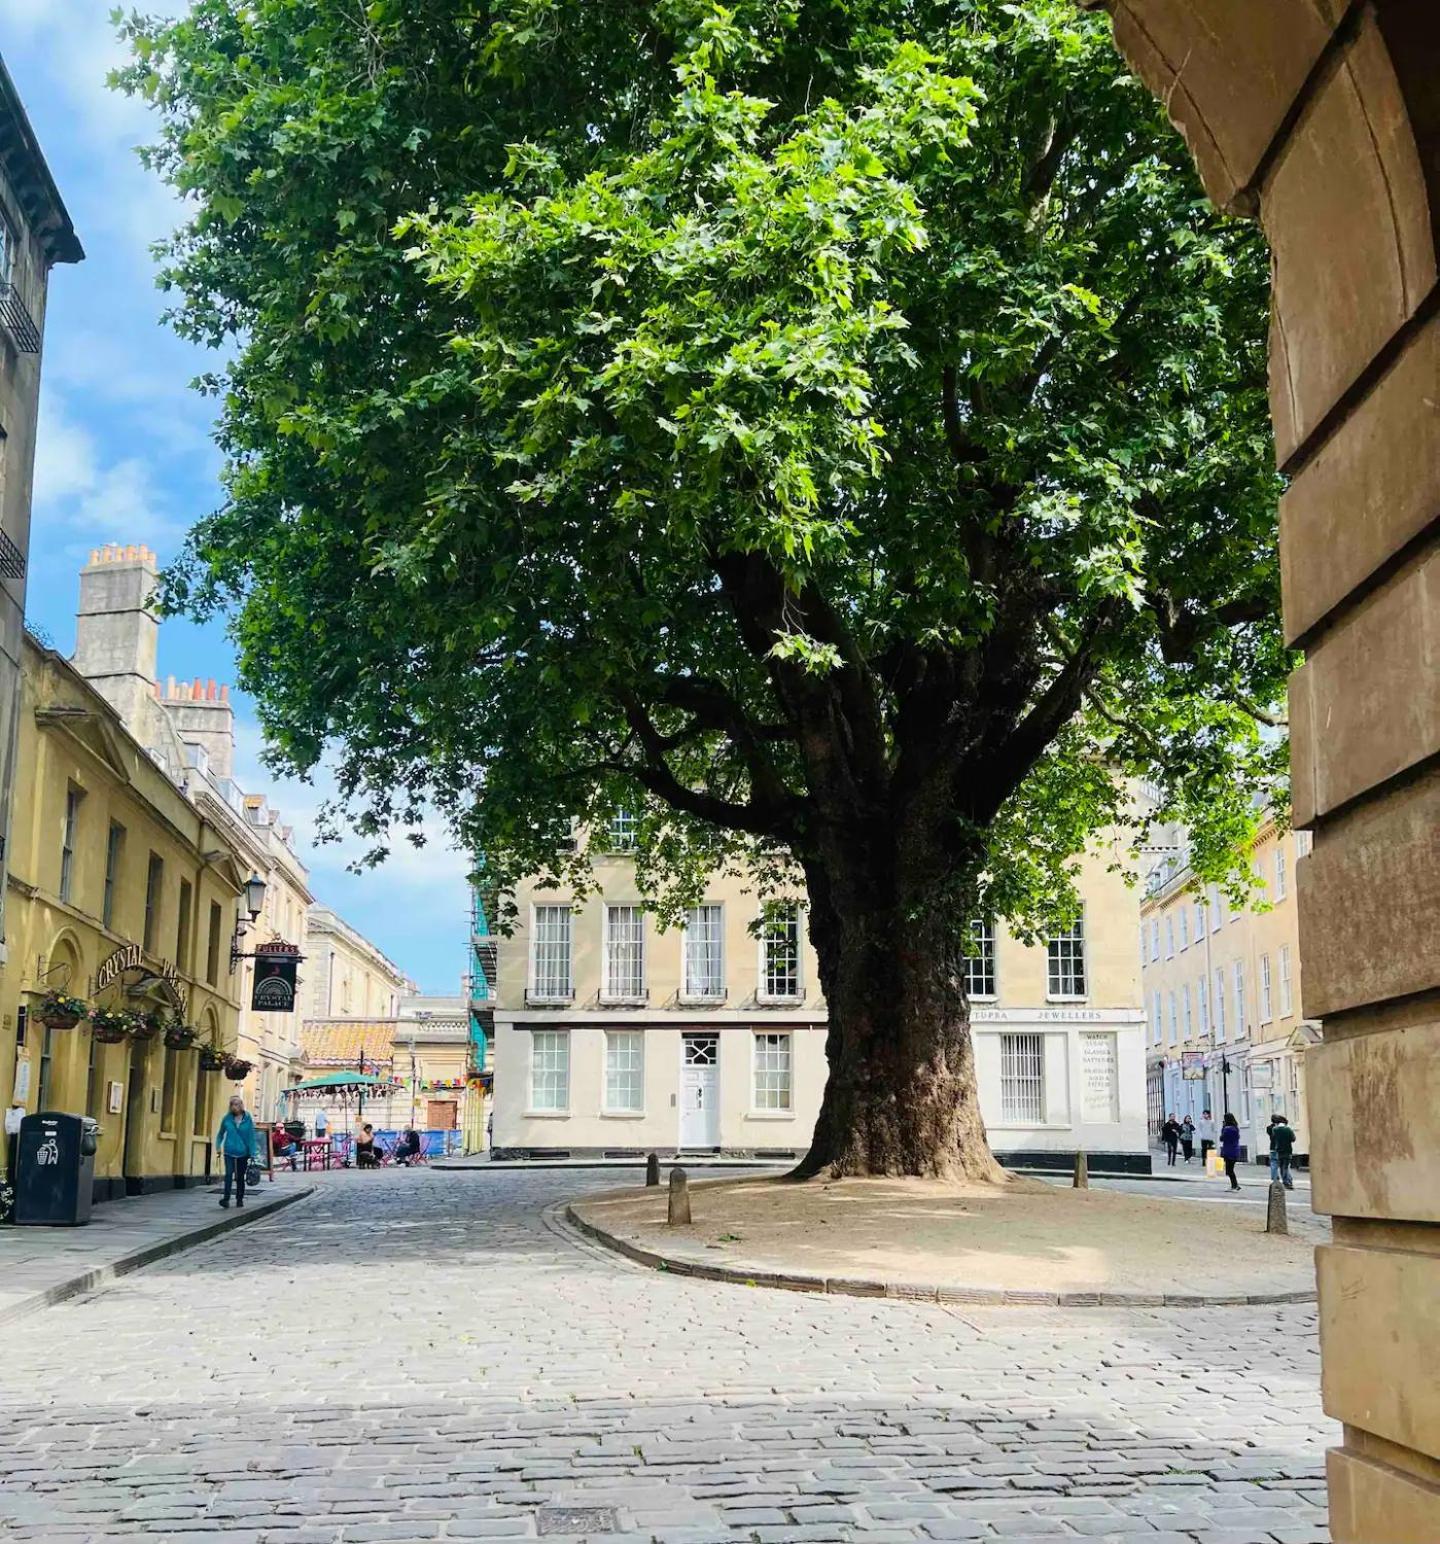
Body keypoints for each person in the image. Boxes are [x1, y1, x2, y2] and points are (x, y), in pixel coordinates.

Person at [216, 1094, 258, 1208]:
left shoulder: (247, 1119)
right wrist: (218, 1147)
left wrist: (253, 1153)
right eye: (232, 1105)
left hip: (243, 1152)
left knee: (240, 1176)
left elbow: (251, 1137)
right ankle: (226, 1198)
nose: (234, 1107)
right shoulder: (227, 1118)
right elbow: (220, 1134)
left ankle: (239, 1199)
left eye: (237, 1104)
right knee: (228, 1174)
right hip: (229, 1150)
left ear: (241, 1105)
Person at [1269, 1111, 1297, 1190]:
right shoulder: (1288, 1129)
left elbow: (1273, 1138)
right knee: (1286, 1166)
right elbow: (1293, 1139)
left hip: (1279, 1150)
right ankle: (1287, 1182)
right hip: (1288, 1150)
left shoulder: (1275, 1129)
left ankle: (1285, 1181)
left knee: (1281, 1166)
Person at [1219, 1111, 1242, 1191]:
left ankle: (1234, 1185)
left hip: (1228, 1151)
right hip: (1235, 1150)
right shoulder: (1235, 1128)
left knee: (1229, 1170)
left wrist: (1223, 1127)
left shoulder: (1227, 1129)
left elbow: (1221, 1138)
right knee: (1230, 1169)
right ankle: (1235, 1185)